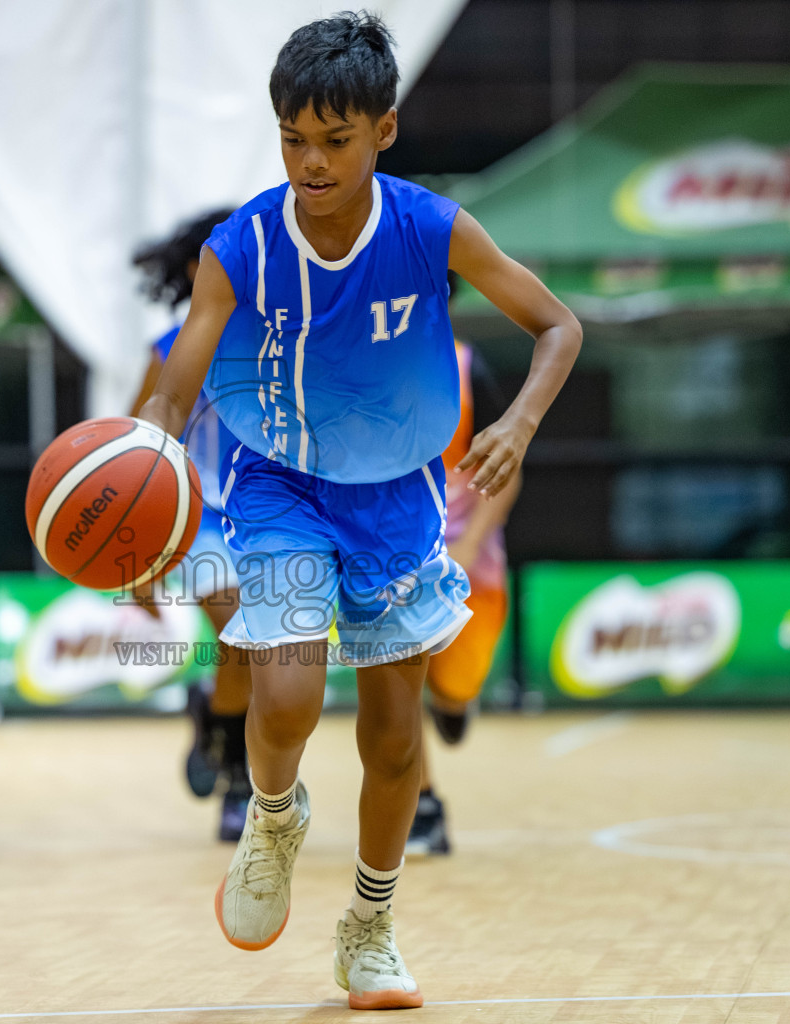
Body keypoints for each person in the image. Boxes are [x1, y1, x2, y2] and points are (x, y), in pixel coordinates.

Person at [136, 12, 581, 1009]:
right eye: (294, 137)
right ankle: (275, 814)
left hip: (398, 501)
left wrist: (517, 422)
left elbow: (560, 325)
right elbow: (175, 385)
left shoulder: (431, 228)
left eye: (335, 139)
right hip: (281, 487)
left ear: (384, 129)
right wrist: (150, 452)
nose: (311, 159)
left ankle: (370, 929)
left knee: (392, 739)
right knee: (286, 695)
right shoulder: (240, 244)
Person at [131, 209, 254, 842]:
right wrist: (137, 563)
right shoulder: (167, 349)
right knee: (243, 641)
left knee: (265, 654)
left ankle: (213, 711)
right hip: (200, 518)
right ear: (194, 271)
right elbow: (135, 452)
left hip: (267, 510)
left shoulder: (275, 334)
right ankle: (239, 784)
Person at [406, 335, 521, 858]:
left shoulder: (468, 365)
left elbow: (509, 468)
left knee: (454, 684)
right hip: (396, 542)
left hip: (468, 547)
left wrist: (471, 545)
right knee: (394, 672)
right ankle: (423, 805)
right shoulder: (359, 354)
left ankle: (453, 703)